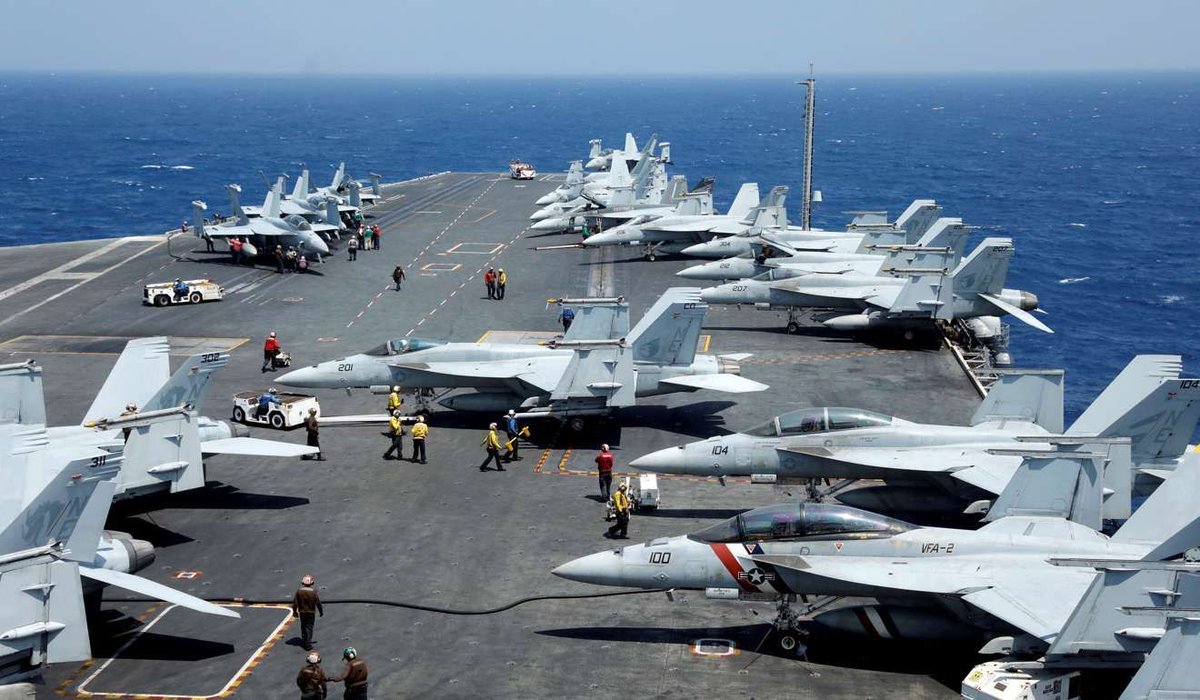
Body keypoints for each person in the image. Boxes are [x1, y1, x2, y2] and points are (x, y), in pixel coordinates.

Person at [292, 574, 324, 650]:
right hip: (311, 612)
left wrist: (294, 612)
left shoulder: (299, 591)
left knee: (303, 626)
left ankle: (304, 640)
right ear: (311, 583)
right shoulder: (313, 592)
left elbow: (295, 603)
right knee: (309, 628)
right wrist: (321, 611)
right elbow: (318, 603)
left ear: (303, 582)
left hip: (302, 612)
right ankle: (308, 644)